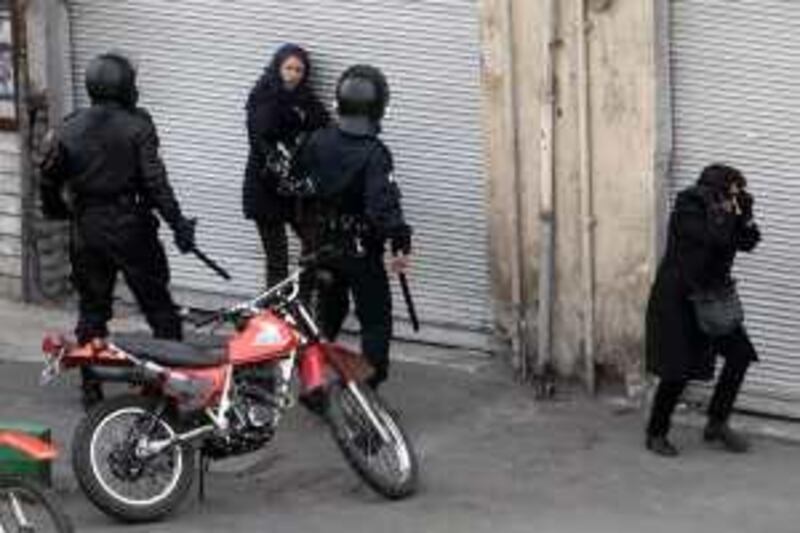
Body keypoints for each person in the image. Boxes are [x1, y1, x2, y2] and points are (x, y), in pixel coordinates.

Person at [39, 52, 196, 405]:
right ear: (123, 85)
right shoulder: (139, 125)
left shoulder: (68, 126)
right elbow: (156, 183)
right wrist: (179, 225)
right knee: (159, 308)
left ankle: (90, 385)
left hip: (88, 227)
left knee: (92, 308)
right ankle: (164, 385)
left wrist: (60, 212)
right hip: (131, 226)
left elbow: (48, 178)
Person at [297, 64, 412, 389]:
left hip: (322, 246)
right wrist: (400, 241)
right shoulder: (375, 153)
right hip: (360, 252)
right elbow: (382, 205)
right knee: (375, 319)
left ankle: (312, 383)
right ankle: (366, 391)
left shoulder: (317, 141)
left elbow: (296, 185)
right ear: (379, 107)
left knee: (327, 315)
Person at [645, 163, 761, 457]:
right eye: (733, 190)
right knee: (677, 370)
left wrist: (745, 218)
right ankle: (656, 433)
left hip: (712, 299)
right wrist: (727, 214)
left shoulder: (727, 211)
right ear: (717, 188)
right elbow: (714, 237)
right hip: (679, 299)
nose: (736, 196)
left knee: (740, 355)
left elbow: (748, 242)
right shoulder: (690, 204)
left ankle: (716, 423)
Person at [242, 43, 329, 293]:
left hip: (295, 191)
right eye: (288, 68)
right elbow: (259, 139)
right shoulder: (263, 96)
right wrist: (280, 161)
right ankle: (275, 319)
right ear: (277, 68)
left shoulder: (306, 100)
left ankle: (302, 305)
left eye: (299, 70)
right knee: (277, 260)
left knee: (315, 247)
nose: (293, 75)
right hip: (265, 188)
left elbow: (323, 127)